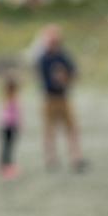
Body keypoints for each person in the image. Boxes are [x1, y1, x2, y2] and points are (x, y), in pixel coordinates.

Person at [37, 24, 87, 171]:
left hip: (63, 98)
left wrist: (66, 78)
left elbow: (74, 73)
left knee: (71, 128)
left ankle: (76, 157)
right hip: (50, 98)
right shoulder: (44, 59)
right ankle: (51, 158)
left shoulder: (63, 56)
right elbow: (45, 79)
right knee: (49, 130)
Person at [0, 76, 21, 179]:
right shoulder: (11, 99)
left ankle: (6, 166)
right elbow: (10, 115)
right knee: (8, 148)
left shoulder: (7, 98)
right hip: (9, 127)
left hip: (7, 126)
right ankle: (6, 167)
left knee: (8, 147)